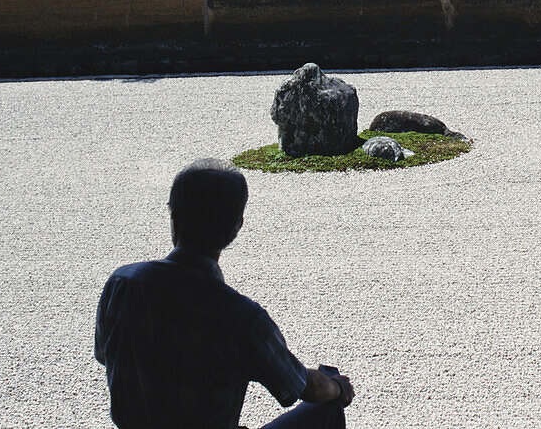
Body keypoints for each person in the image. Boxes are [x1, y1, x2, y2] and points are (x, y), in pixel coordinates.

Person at [95, 158, 355, 429]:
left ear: (174, 215)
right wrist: (336, 387)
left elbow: (104, 355)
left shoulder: (121, 283)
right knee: (326, 411)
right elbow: (300, 385)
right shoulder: (241, 318)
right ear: (236, 226)